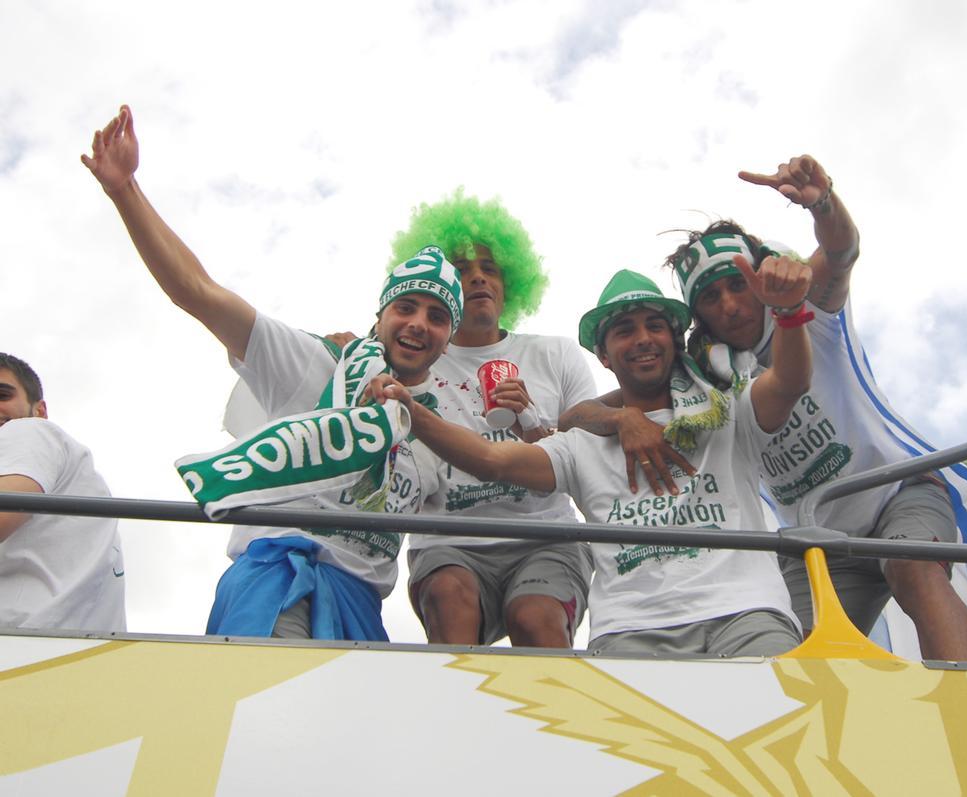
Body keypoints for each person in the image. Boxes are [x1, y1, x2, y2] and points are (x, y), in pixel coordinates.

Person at [560, 154, 967, 662]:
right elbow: (578, 413)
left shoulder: (809, 308)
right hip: (820, 536)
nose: (730, 306)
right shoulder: (703, 371)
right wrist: (619, 418)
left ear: (764, 276)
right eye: (710, 297)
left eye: (738, 285)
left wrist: (823, 202)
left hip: (896, 492)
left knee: (911, 566)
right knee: (790, 651)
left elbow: (842, 249)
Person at [82, 105, 453, 641]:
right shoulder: (314, 362)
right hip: (278, 587)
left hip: (361, 614)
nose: (419, 324)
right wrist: (126, 190)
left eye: (437, 317)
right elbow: (199, 292)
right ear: (381, 315)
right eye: (406, 308)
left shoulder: (436, 430)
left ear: (448, 339)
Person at [375, 262, 815, 656]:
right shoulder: (579, 444)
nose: (642, 339)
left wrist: (790, 313)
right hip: (631, 633)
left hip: (748, 616)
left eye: (654, 326)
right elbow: (493, 459)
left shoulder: (727, 411)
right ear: (603, 356)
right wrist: (412, 411)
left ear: (675, 340)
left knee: (784, 735)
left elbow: (790, 381)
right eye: (624, 330)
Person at [387, 191, 597, 649]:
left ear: (512, 281)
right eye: (461, 270)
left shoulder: (555, 353)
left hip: (546, 537)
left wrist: (535, 425)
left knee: (536, 618)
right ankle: (458, 717)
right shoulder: (410, 357)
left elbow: (589, 461)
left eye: (490, 268)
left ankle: (553, 719)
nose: (478, 278)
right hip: (449, 543)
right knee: (449, 599)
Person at [0, 353, 126, 631]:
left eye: (2, 394)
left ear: (39, 411)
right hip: (66, 651)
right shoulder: (69, 464)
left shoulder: (28, 432)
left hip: (23, 643)